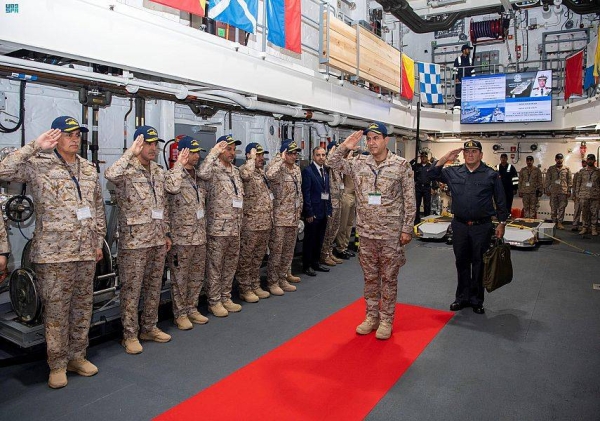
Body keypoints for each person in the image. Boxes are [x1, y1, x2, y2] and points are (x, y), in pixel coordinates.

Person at [0, 116, 106, 388]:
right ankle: (57, 364)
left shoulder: (88, 168)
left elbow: (96, 208)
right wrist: (34, 146)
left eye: (77, 135)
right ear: (56, 137)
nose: (75, 139)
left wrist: (98, 241)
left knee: (82, 307)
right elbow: (3, 169)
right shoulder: (37, 164)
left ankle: (77, 356)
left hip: (84, 250)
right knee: (57, 311)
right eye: (69, 134)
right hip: (53, 252)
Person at [328, 122, 415, 340]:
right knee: (370, 278)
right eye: (369, 138)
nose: (372, 142)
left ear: (386, 140)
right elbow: (332, 162)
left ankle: (386, 320)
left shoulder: (401, 165)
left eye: (376, 138)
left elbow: (410, 199)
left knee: (389, 278)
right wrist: (345, 146)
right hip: (366, 233)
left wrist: (406, 229)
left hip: (390, 234)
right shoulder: (358, 163)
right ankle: (371, 317)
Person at [105, 125, 187, 355]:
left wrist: (167, 233)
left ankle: (149, 327)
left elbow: (169, 193)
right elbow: (110, 175)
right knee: (131, 291)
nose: (153, 148)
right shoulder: (126, 169)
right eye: (148, 144)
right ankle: (129, 334)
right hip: (134, 242)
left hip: (158, 239)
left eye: (154, 144)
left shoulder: (158, 171)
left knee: (154, 287)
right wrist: (130, 153)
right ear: (138, 144)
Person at [427, 140, 508, 315]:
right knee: (461, 262)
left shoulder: (490, 175)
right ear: (463, 155)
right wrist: (445, 158)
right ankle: (462, 297)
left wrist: (502, 223)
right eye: (467, 151)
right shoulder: (452, 172)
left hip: (482, 226)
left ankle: (476, 300)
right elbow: (431, 174)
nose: (470, 154)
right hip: (460, 226)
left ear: (481, 155)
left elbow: (501, 200)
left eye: (474, 151)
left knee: (479, 263)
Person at [166, 136, 209, 330]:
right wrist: (178, 165)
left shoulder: (199, 176)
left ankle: (192, 308)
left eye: (198, 152)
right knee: (180, 278)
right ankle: (180, 313)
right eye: (192, 152)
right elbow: (172, 188)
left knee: (196, 276)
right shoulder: (173, 175)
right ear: (183, 153)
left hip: (199, 235)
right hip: (181, 236)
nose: (196, 156)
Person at [198, 135, 244, 317]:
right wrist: (213, 153)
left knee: (230, 265)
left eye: (233, 150)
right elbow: (202, 173)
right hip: (218, 228)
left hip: (235, 226)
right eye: (228, 149)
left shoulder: (235, 170)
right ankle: (214, 301)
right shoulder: (213, 169)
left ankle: (226, 296)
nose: (232, 153)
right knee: (215, 267)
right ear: (220, 150)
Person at [265, 139, 303, 296]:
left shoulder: (296, 169)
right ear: (284, 154)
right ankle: (272, 281)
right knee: (277, 252)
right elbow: (269, 175)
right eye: (291, 153)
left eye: (295, 153)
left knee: (288, 251)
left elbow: (298, 192)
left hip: (293, 217)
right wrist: (280, 159)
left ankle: (283, 278)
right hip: (280, 218)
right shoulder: (277, 167)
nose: (294, 156)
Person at [236, 142, 273, 302]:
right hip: (250, 224)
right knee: (246, 258)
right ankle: (245, 289)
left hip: (264, 223)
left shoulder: (261, 173)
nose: (261, 158)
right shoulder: (244, 169)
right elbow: (245, 176)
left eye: (261, 155)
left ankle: (255, 284)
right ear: (248, 156)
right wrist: (251, 159)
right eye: (257, 155)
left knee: (258, 258)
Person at [301, 146, 332, 276]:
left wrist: (329, 210)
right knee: (310, 240)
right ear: (313, 156)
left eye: (323, 155)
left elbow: (327, 192)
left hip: (323, 211)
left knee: (319, 239)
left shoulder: (325, 171)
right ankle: (307, 265)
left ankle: (316, 262)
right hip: (313, 212)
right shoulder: (308, 171)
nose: (321, 157)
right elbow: (306, 193)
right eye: (318, 155)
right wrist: (308, 212)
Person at [321, 141, 344, 266]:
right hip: (331, 203)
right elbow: (327, 162)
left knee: (334, 230)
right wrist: (331, 153)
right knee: (328, 231)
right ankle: (324, 254)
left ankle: (329, 252)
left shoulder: (338, 167)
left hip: (338, 201)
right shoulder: (328, 166)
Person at [334, 153, 357, 260]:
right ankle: (340, 248)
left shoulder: (356, 164)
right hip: (346, 195)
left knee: (349, 224)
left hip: (354, 195)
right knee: (343, 225)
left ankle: (345, 246)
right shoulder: (345, 164)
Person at [544, 153, 572, 230]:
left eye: (560, 159)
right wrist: (547, 189)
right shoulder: (551, 168)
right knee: (553, 207)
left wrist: (569, 191)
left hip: (563, 192)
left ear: (563, 159)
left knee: (562, 208)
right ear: (555, 159)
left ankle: (560, 222)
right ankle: (554, 222)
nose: (559, 160)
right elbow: (547, 180)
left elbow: (569, 180)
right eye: (557, 159)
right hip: (553, 191)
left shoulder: (567, 169)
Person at [576, 154, 599, 236]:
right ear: (587, 160)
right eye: (589, 159)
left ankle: (593, 228)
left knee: (594, 212)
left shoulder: (598, 171)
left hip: (595, 195)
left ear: (594, 161)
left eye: (592, 160)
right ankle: (585, 228)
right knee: (584, 212)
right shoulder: (582, 171)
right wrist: (577, 194)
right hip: (583, 195)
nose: (590, 161)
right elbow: (578, 183)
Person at [411, 151, 434, 223]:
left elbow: (433, 177)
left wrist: (434, 187)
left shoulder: (430, 166)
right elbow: (408, 165)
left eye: (425, 157)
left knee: (427, 205)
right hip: (418, 188)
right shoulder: (417, 166)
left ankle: (427, 221)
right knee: (417, 205)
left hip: (427, 188)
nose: (423, 158)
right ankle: (416, 221)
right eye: (422, 157)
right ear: (420, 158)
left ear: (427, 158)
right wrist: (415, 159)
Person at [571, 159, 588, 231]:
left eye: (585, 162)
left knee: (586, 212)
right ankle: (575, 225)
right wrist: (574, 195)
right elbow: (574, 185)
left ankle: (586, 226)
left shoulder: (593, 172)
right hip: (578, 195)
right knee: (577, 211)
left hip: (587, 195)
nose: (584, 164)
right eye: (583, 162)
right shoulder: (578, 173)